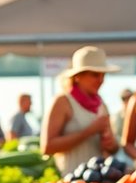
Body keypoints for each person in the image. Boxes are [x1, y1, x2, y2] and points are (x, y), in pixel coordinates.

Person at [41, 46, 119, 174]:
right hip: (71, 181)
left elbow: (113, 148)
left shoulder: (102, 104)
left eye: (103, 75)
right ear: (77, 76)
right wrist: (89, 131)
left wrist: (111, 144)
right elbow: (47, 147)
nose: (101, 80)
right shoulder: (62, 101)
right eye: (95, 75)